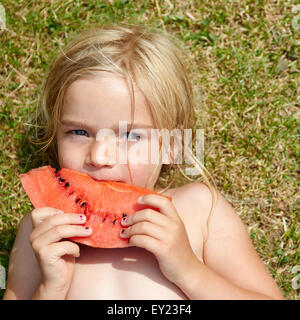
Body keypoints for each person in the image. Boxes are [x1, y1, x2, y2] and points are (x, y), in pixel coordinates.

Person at [4, 23, 283, 300]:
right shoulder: (41, 228)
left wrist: (189, 271)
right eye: (79, 132)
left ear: (173, 145)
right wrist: (49, 290)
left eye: (129, 135)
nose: (99, 157)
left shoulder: (199, 209)